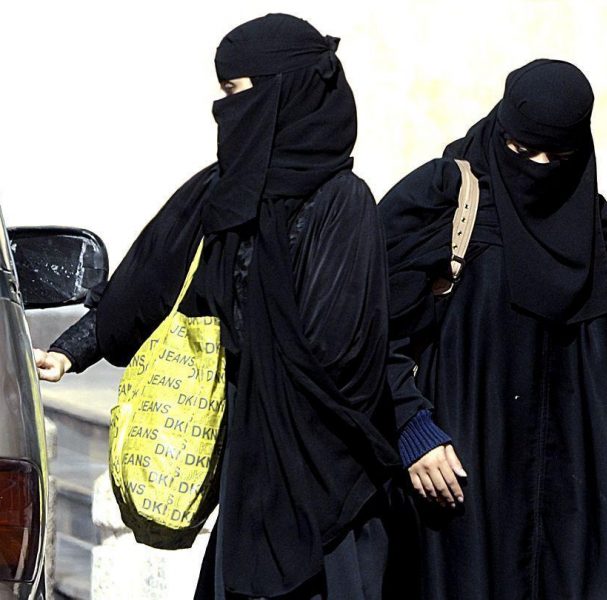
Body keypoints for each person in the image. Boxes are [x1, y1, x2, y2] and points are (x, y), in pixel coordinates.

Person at [35, 14, 398, 600]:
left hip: (327, 483)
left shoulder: (342, 204)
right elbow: (152, 280)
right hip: (249, 465)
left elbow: (341, 357)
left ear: (285, 91)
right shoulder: (224, 190)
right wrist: (71, 352)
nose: (224, 111)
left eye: (236, 94)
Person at [379, 59, 607, 599]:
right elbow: (366, 327)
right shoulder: (443, 202)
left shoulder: (599, 231)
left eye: (558, 156)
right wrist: (411, 427)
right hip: (460, 488)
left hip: (579, 502)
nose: (538, 166)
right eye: (521, 149)